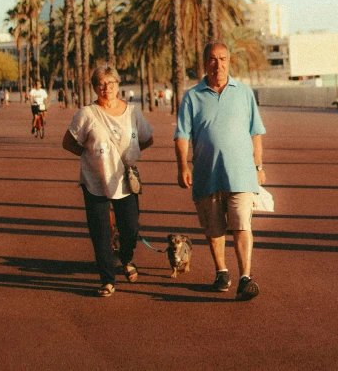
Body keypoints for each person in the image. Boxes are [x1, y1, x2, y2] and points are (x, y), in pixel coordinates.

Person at [174, 41, 267, 301]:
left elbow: (256, 132)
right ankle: (222, 271)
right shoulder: (192, 97)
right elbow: (182, 136)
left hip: (242, 173)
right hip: (206, 173)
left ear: (229, 61)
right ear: (205, 63)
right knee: (214, 229)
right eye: (213, 59)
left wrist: (259, 166)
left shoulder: (244, 93)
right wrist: (182, 166)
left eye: (223, 58)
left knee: (241, 225)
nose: (218, 64)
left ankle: (245, 277)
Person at [62, 63, 154, 298]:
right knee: (100, 232)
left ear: (118, 85)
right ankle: (107, 279)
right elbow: (69, 142)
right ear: (94, 87)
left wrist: (129, 157)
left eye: (111, 83)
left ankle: (126, 258)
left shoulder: (133, 111)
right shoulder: (86, 114)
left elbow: (147, 138)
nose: (106, 88)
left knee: (130, 227)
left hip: (125, 178)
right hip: (94, 180)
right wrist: (91, 158)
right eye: (101, 84)